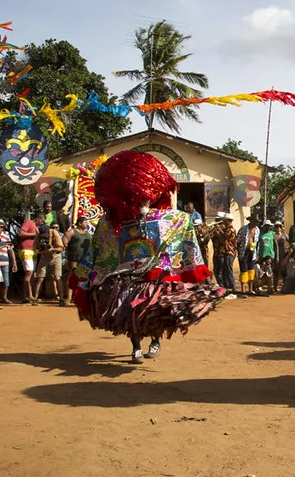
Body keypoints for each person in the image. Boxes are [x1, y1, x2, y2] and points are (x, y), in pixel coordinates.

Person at [72, 150, 225, 363]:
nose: (142, 202)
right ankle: (135, 347)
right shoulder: (110, 224)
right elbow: (101, 249)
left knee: (153, 311)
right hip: (125, 278)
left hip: (155, 277)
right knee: (129, 313)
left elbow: (184, 231)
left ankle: (155, 341)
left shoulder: (170, 219)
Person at [206, 213, 238, 299]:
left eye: (223, 220)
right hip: (223, 252)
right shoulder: (225, 229)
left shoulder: (230, 230)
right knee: (224, 271)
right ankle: (226, 290)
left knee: (228, 271)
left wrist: (218, 233)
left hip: (229, 252)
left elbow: (224, 241)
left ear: (227, 220)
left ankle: (232, 290)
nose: (221, 222)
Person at [62, 216, 92, 305]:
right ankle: (68, 298)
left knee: (83, 279)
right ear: (80, 223)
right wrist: (66, 246)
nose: (87, 224)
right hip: (74, 258)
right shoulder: (72, 231)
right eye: (85, 222)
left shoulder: (88, 234)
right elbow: (65, 238)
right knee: (72, 277)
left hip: (85, 260)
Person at [34, 221, 65, 305]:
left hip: (56, 256)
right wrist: (40, 250)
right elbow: (35, 247)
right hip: (44, 256)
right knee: (40, 277)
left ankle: (61, 299)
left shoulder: (54, 233)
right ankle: (35, 298)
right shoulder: (38, 236)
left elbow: (61, 249)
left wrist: (52, 249)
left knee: (57, 276)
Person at [17, 212, 40, 303]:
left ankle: (30, 295)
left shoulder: (35, 226)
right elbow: (21, 233)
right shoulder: (29, 223)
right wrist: (34, 235)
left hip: (33, 251)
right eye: (41, 220)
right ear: (37, 218)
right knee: (28, 273)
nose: (41, 222)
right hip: (26, 250)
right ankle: (24, 296)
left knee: (32, 274)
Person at [235, 216, 260, 296]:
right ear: (250, 221)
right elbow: (237, 241)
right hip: (243, 251)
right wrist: (238, 251)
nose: (255, 223)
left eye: (256, 221)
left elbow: (257, 242)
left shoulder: (257, 230)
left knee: (251, 270)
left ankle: (250, 289)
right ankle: (243, 290)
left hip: (252, 251)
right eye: (253, 221)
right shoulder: (243, 229)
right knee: (243, 270)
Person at [0, 219, 16, 305]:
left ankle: (4, 297)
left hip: (5, 261)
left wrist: (14, 262)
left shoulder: (6, 236)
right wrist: (4, 245)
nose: (1, 228)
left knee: (6, 280)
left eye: (2, 226)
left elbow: (11, 250)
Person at [256, 220, 276, 295]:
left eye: (269, 226)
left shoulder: (272, 234)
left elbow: (275, 244)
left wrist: (276, 256)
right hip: (262, 255)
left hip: (270, 255)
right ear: (263, 226)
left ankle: (269, 288)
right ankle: (259, 288)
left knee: (269, 272)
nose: (267, 227)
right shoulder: (260, 234)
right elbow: (257, 245)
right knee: (261, 272)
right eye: (266, 226)